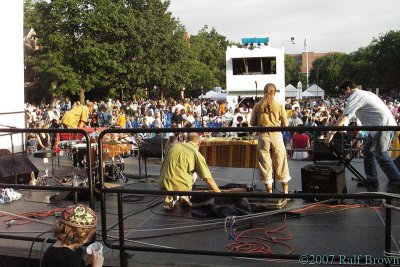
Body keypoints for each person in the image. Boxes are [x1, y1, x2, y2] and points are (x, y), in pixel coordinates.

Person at [325, 80, 400, 193]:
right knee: (368, 151)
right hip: (376, 127)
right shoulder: (364, 93)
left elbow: (345, 117)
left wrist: (331, 133)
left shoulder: (356, 96)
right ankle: (372, 179)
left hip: (382, 126)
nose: (343, 95)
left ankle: (397, 182)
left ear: (348, 89)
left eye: (343, 92)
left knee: (380, 155)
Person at [158, 133, 221, 210]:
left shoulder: (174, 146)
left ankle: (170, 197)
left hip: (162, 183)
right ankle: (184, 194)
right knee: (195, 172)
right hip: (179, 185)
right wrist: (219, 194)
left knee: (178, 169)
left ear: (187, 140)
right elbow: (207, 178)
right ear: (199, 143)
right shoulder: (195, 153)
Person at [250, 83, 291, 193]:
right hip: (277, 135)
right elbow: (285, 124)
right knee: (281, 164)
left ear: (264, 92)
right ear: (275, 92)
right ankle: (285, 193)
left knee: (265, 166)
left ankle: (270, 194)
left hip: (263, 136)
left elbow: (252, 123)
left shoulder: (257, 106)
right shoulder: (279, 105)